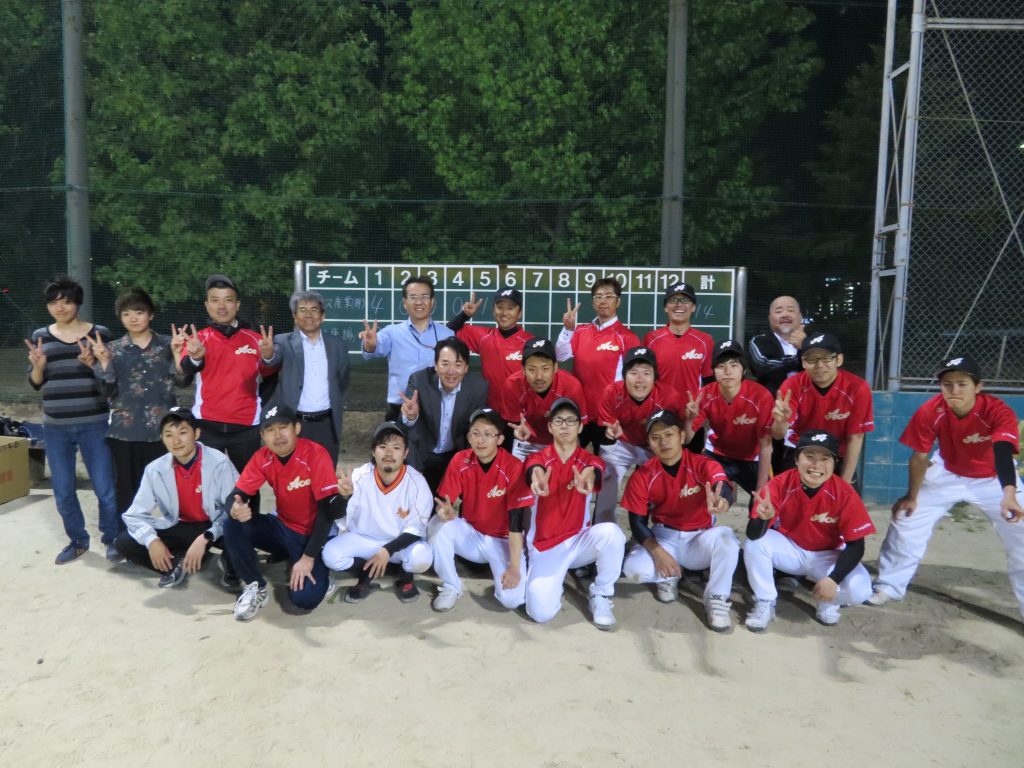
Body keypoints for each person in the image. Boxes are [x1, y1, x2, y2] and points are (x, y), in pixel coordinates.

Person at [868, 355, 1024, 620]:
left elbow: (1002, 452)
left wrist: (1009, 494)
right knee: (907, 518)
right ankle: (889, 586)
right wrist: (911, 496)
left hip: (994, 478)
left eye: (962, 383)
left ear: (978, 386)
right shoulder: (932, 410)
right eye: (947, 384)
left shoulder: (997, 411)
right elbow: (919, 457)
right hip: (947, 473)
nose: (954, 390)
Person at [26, 276, 121, 564]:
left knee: (105, 489)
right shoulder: (41, 336)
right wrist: (39, 366)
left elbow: (111, 382)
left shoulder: (99, 333)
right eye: (53, 302)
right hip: (56, 427)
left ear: (77, 303)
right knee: (64, 490)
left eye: (66, 301)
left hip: (95, 423)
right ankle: (78, 540)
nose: (60, 307)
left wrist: (94, 364)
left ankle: (112, 538)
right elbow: (35, 383)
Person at [743, 431, 875, 632]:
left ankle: (828, 600)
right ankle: (765, 601)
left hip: (828, 557)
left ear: (835, 463)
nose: (816, 465)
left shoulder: (845, 492)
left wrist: (833, 579)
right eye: (809, 456)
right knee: (755, 544)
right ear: (796, 460)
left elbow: (856, 546)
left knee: (861, 590)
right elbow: (753, 535)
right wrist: (762, 518)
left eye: (825, 458)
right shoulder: (780, 483)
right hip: (791, 550)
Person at [620, 409, 738, 631]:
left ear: (682, 436)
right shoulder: (643, 475)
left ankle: (717, 597)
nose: (663, 442)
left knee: (727, 539)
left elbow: (721, 485)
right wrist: (659, 554)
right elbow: (637, 524)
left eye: (669, 434)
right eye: (655, 437)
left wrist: (723, 500)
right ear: (649, 443)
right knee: (634, 568)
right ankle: (669, 576)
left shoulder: (702, 464)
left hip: (700, 538)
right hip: (665, 536)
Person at [221, 404, 340, 621]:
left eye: (283, 427)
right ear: (262, 436)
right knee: (232, 523)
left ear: (296, 428)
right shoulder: (263, 457)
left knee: (304, 599)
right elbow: (237, 493)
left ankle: (319, 565)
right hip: (283, 527)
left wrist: (308, 557)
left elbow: (327, 514)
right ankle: (255, 587)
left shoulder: (315, 454)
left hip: (312, 535)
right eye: (270, 430)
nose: (277, 436)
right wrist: (234, 507)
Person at [524, 398, 626, 630]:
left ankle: (600, 594)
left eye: (571, 420)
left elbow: (595, 470)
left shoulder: (590, 460)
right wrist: (536, 479)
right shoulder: (538, 458)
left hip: (579, 542)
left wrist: (589, 476)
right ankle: (555, 582)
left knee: (612, 534)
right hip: (546, 546)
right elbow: (533, 469)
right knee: (539, 613)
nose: (564, 425)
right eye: (558, 420)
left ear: (580, 427)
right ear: (550, 427)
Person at [114, 407, 238, 588]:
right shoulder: (155, 469)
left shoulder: (219, 462)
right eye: (169, 435)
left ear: (196, 433)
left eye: (183, 432)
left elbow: (232, 510)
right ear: (162, 438)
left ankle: (225, 562)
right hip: (182, 526)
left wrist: (205, 538)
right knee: (124, 542)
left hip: (216, 525)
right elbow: (134, 515)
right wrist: (152, 541)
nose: (176, 441)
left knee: (240, 541)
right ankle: (177, 564)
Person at [92, 287, 188, 518]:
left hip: (162, 433)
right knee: (127, 493)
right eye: (126, 314)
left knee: (169, 491)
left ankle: (171, 535)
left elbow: (183, 381)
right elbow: (105, 391)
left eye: (138, 312)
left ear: (150, 314)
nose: (133, 318)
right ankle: (129, 536)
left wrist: (178, 355)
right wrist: (104, 363)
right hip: (125, 433)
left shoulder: (168, 345)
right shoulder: (111, 350)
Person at [429, 408, 535, 612]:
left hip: (503, 541)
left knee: (511, 600)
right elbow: (443, 502)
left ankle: (523, 569)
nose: (481, 440)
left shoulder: (513, 467)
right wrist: (444, 512)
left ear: (500, 439)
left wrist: (514, 568)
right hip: (472, 535)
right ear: (469, 437)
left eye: (488, 434)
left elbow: (516, 523)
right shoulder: (460, 460)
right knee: (437, 524)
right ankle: (451, 586)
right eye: (475, 433)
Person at [321, 421, 433, 604]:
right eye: (382, 446)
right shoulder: (359, 475)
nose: (389, 453)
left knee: (422, 558)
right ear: (374, 451)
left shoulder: (417, 482)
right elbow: (334, 515)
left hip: (398, 544)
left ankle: (402, 574)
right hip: (365, 540)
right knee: (330, 555)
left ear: (406, 453)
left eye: (396, 447)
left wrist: (387, 551)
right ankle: (371, 570)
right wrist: (344, 497)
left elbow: (416, 529)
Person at [178, 274, 278, 474]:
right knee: (208, 484)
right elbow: (186, 369)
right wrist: (196, 357)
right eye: (215, 300)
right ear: (207, 305)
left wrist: (269, 357)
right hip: (207, 425)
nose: (222, 306)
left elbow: (271, 374)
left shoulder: (255, 340)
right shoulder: (197, 340)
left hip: (246, 426)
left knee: (248, 485)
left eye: (228, 300)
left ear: (237, 305)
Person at [594, 346, 686, 524]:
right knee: (607, 477)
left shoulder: (669, 397)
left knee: (661, 482)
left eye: (646, 373)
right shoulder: (612, 392)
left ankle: (659, 529)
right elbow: (606, 432)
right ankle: (602, 529)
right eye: (633, 373)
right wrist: (610, 434)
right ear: (624, 375)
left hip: (653, 446)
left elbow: (676, 436)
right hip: (622, 443)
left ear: (655, 377)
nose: (640, 379)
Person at [771, 333, 873, 484]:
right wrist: (780, 422)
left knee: (848, 497)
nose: (819, 365)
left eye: (827, 358)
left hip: (837, 455)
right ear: (804, 362)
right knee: (785, 496)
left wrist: (844, 483)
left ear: (839, 359)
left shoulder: (857, 388)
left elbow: (856, 437)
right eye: (812, 359)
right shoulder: (792, 385)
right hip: (801, 452)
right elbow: (778, 435)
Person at [684, 340, 773, 509]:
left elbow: (766, 445)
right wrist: (689, 419)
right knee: (717, 496)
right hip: (718, 455)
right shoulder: (706, 394)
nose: (727, 371)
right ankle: (722, 500)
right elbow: (687, 439)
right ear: (713, 371)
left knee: (763, 509)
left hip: (751, 458)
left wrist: (761, 487)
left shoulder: (760, 396)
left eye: (734, 365)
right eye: (721, 366)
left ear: (743, 369)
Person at [264, 290, 350, 465]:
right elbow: (273, 360)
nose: (308, 315)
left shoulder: (337, 345)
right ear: (294, 316)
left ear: (322, 316)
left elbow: (342, 380)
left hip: (327, 424)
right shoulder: (283, 341)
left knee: (325, 473)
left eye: (314, 310)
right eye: (302, 310)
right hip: (293, 423)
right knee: (293, 474)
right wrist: (268, 354)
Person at [555, 278, 640, 451]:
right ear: (593, 303)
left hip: (609, 416)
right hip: (579, 412)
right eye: (598, 297)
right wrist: (568, 329)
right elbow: (560, 356)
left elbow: (634, 379)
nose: (603, 301)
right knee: (570, 460)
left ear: (618, 301)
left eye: (609, 296)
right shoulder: (580, 331)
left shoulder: (627, 337)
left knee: (606, 466)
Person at [399, 337, 489, 493]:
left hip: (455, 454)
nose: (451, 371)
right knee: (412, 497)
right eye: (445, 364)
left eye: (458, 364)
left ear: (466, 368)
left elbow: (476, 427)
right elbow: (406, 424)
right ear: (435, 365)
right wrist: (411, 416)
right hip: (423, 451)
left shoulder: (478, 387)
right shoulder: (419, 380)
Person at [359, 275, 454, 421]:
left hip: (436, 406)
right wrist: (370, 344)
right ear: (404, 303)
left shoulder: (447, 335)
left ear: (432, 301)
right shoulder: (392, 332)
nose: (419, 302)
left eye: (424, 297)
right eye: (413, 297)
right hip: (398, 407)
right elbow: (372, 351)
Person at [643, 283, 714, 452]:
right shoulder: (651, 339)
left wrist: (703, 414)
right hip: (659, 416)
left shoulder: (705, 341)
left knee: (692, 465)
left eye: (685, 300)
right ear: (665, 307)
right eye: (673, 300)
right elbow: (644, 381)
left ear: (693, 307)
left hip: (691, 417)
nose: (679, 304)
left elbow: (709, 383)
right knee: (655, 465)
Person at [446, 287, 534, 412]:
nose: (504, 312)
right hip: (489, 412)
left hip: (520, 413)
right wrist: (465, 315)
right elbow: (445, 332)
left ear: (519, 313)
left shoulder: (530, 343)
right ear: (493, 311)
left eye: (510, 308)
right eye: (500, 307)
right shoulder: (484, 336)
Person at [499, 338, 587, 461]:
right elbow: (512, 423)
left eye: (545, 368)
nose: (539, 376)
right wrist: (518, 429)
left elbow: (577, 428)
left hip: (560, 442)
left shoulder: (571, 386)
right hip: (526, 442)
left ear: (555, 367)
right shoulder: (512, 385)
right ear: (523, 369)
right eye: (532, 369)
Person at [747, 295, 806, 476]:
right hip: (773, 416)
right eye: (779, 311)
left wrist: (806, 345)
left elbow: (826, 367)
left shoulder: (814, 342)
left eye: (790, 310)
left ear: (800, 316)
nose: (785, 314)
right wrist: (803, 356)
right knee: (773, 474)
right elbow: (763, 366)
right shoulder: (759, 341)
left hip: (808, 417)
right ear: (770, 318)